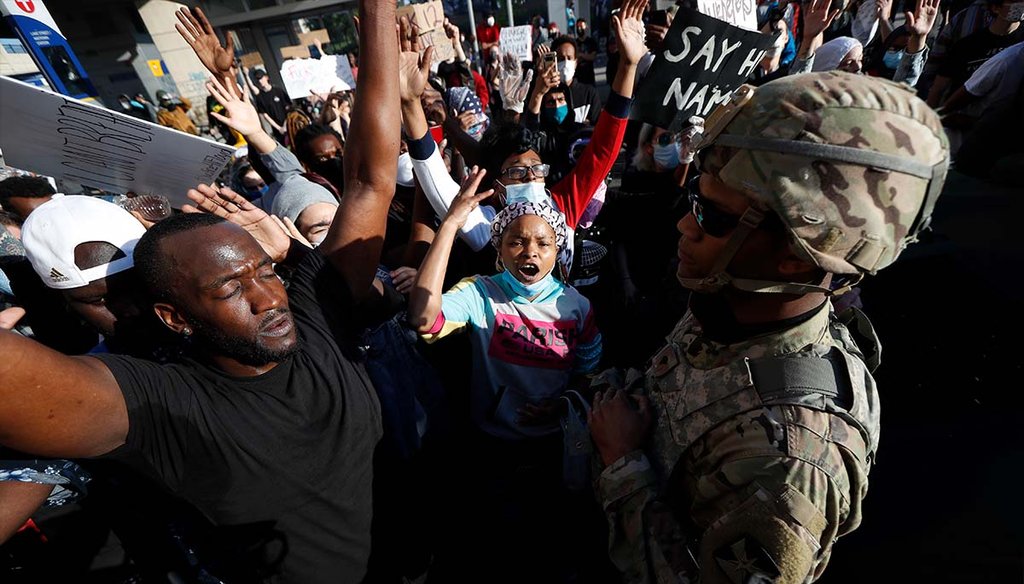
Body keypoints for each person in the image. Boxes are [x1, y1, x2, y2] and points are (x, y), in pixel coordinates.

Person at [0, 0, 402, 580]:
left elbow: (369, 179)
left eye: (265, 271)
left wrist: (380, 12)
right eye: (229, 288)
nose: (268, 297)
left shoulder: (316, 312)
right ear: (175, 317)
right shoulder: (163, 405)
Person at [587, 72, 949, 584]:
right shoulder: (736, 300)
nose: (685, 226)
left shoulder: (791, 465)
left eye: (713, 216)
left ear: (795, 257)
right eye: (696, 199)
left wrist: (622, 465)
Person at [926, 0, 1023, 108]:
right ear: (995, 8)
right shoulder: (967, 45)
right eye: (1016, 1)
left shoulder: (1021, 44)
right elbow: (938, 88)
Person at [550, 36, 603, 125]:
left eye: (569, 58)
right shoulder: (548, 95)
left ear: (575, 63)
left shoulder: (589, 94)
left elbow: (597, 128)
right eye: (561, 59)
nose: (566, 63)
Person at [251, 69, 291, 141]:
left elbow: (288, 108)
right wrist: (279, 128)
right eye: (257, 79)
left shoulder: (278, 90)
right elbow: (265, 115)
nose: (260, 81)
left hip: (289, 124)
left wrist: (285, 125)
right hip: (277, 130)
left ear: (266, 77)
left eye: (261, 78)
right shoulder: (260, 97)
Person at [574, 19, 599, 85]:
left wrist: (581, 55)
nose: (579, 29)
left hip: (589, 76)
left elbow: (592, 57)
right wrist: (585, 56)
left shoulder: (591, 42)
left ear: (586, 27)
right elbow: (574, 59)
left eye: (581, 26)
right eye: (578, 26)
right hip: (578, 77)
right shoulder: (574, 43)